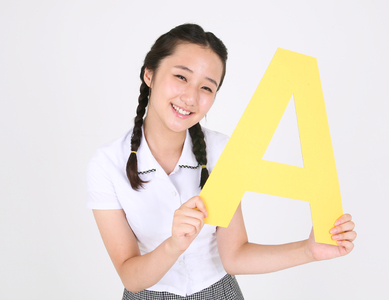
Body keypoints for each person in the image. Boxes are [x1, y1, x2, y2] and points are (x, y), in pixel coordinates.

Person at [87, 23, 356, 300]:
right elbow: (130, 277)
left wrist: (308, 250)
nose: (191, 97)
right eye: (181, 76)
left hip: (220, 293)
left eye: (206, 87)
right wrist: (174, 245)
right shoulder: (107, 164)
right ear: (150, 74)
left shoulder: (220, 150)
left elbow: (234, 256)